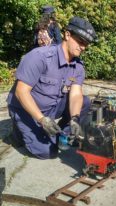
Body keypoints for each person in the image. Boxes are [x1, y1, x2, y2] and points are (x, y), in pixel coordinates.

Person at [6, 16, 97, 159]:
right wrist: (42, 120)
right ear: (67, 35)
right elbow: (21, 92)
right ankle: (18, 133)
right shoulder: (39, 57)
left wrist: (74, 119)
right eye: (80, 41)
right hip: (25, 109)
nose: (83, 47)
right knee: (47, 152)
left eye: (86, 44)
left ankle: (64, 136)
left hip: (51, 107)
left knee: (84, 102)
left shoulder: (78, 67)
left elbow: (75, 95)